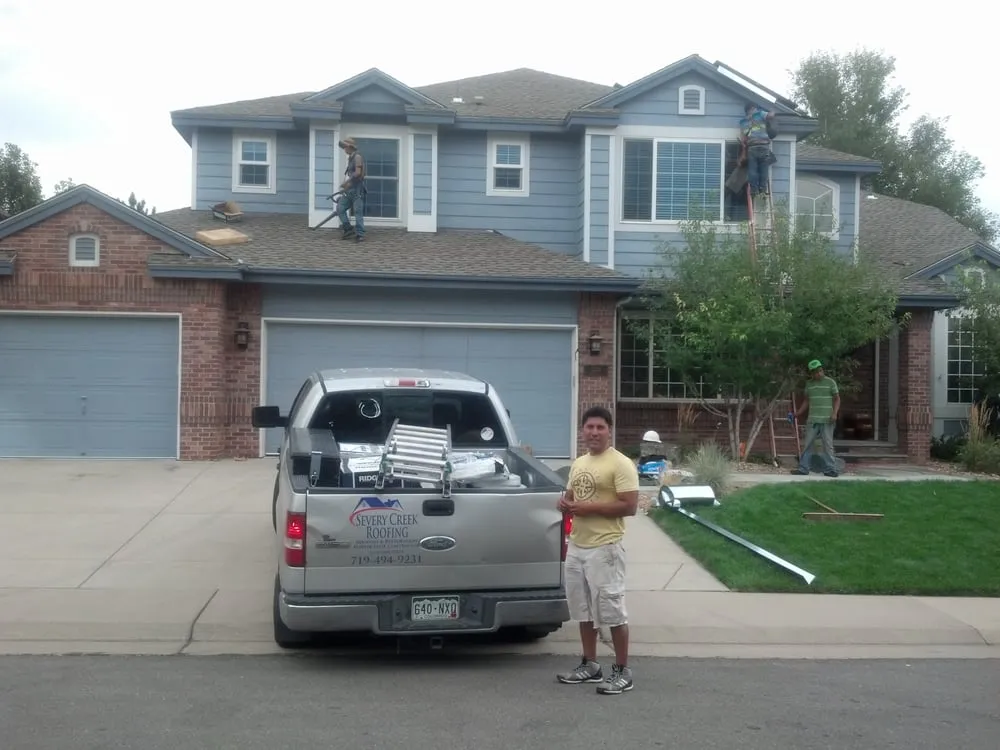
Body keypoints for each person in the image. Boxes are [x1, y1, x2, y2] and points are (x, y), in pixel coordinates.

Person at [556, 406, 640, 695]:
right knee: (583, 611)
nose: (594, 432)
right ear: (582, 430)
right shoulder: (579, 463)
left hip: (605, 549)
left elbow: (630, 505)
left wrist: (588, 508)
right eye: (589, 427)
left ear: (609, 430)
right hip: (577, 546)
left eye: (600, 427)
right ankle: (590, 665)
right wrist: (564, 504)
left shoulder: (620, 464)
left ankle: (622, 672)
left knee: (612, 612)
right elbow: (571, 497)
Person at [792, 359, 841, 478]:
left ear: (822, 370)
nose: (819, 373)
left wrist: (835, 413)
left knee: (828, 445)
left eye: (820, 370)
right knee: (807, 444)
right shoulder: (809, 384)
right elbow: (806, 401)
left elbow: (837, 399)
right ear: (811, 373)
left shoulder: (830, 382)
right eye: (815, 372)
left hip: (827, 420)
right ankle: (803, 468)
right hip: (813, 419)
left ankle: (830, 469)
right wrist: (798, 413)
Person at [739, 102, 777, 197]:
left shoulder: (743, 122)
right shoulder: (759, 114)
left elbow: (744, 140)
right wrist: (773, 110)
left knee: (752, 170)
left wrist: (743, 153)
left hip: (752, 147)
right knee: (764, 169)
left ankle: (754, 190)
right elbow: (770, 116)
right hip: (764, 146)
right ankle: (763, 190)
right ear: (753, 108)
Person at [336, 137, 367, 242]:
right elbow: (351, 175)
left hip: (357, 190)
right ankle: (348, 228)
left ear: (350, 147)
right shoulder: (350, 158)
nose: (344, 149)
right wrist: (346, 187)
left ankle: (360, 234)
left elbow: (358, 173)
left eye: (345, 147)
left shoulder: (357, 157)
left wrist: (346, 182)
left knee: (358, 212)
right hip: (350, 190)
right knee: (340, 208)